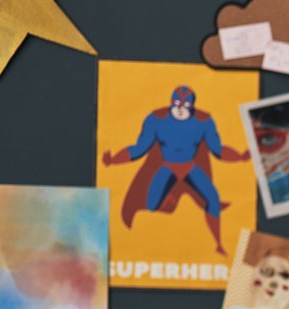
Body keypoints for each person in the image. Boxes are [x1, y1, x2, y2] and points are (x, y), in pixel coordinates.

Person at [101, 85, 248, 255]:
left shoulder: (204, 121)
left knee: (213, 199)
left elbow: (218, 150)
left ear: (192, 106)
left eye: (185, 106)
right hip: (168, 166)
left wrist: (240, 157)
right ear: (171, 102)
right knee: (151, 205)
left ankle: (219, 244)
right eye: (177, 104)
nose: (180, 109)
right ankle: (169, 197)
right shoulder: (156, 119)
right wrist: (113, 160)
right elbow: (139, 149)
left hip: (190, 167)